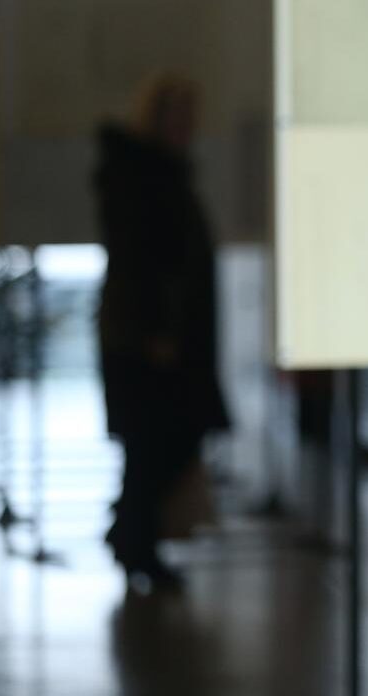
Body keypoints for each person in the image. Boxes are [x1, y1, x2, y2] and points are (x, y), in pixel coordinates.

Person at [93, 73, 230, 592]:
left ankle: (133, 537)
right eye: (177, 114)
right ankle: (135, 543)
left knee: (158, 444)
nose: (186, 125)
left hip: (164, 343)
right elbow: (142, 264)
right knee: (153, 445)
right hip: (148, 345)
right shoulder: (141, 179)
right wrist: (154, 332)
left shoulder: (162, 175)